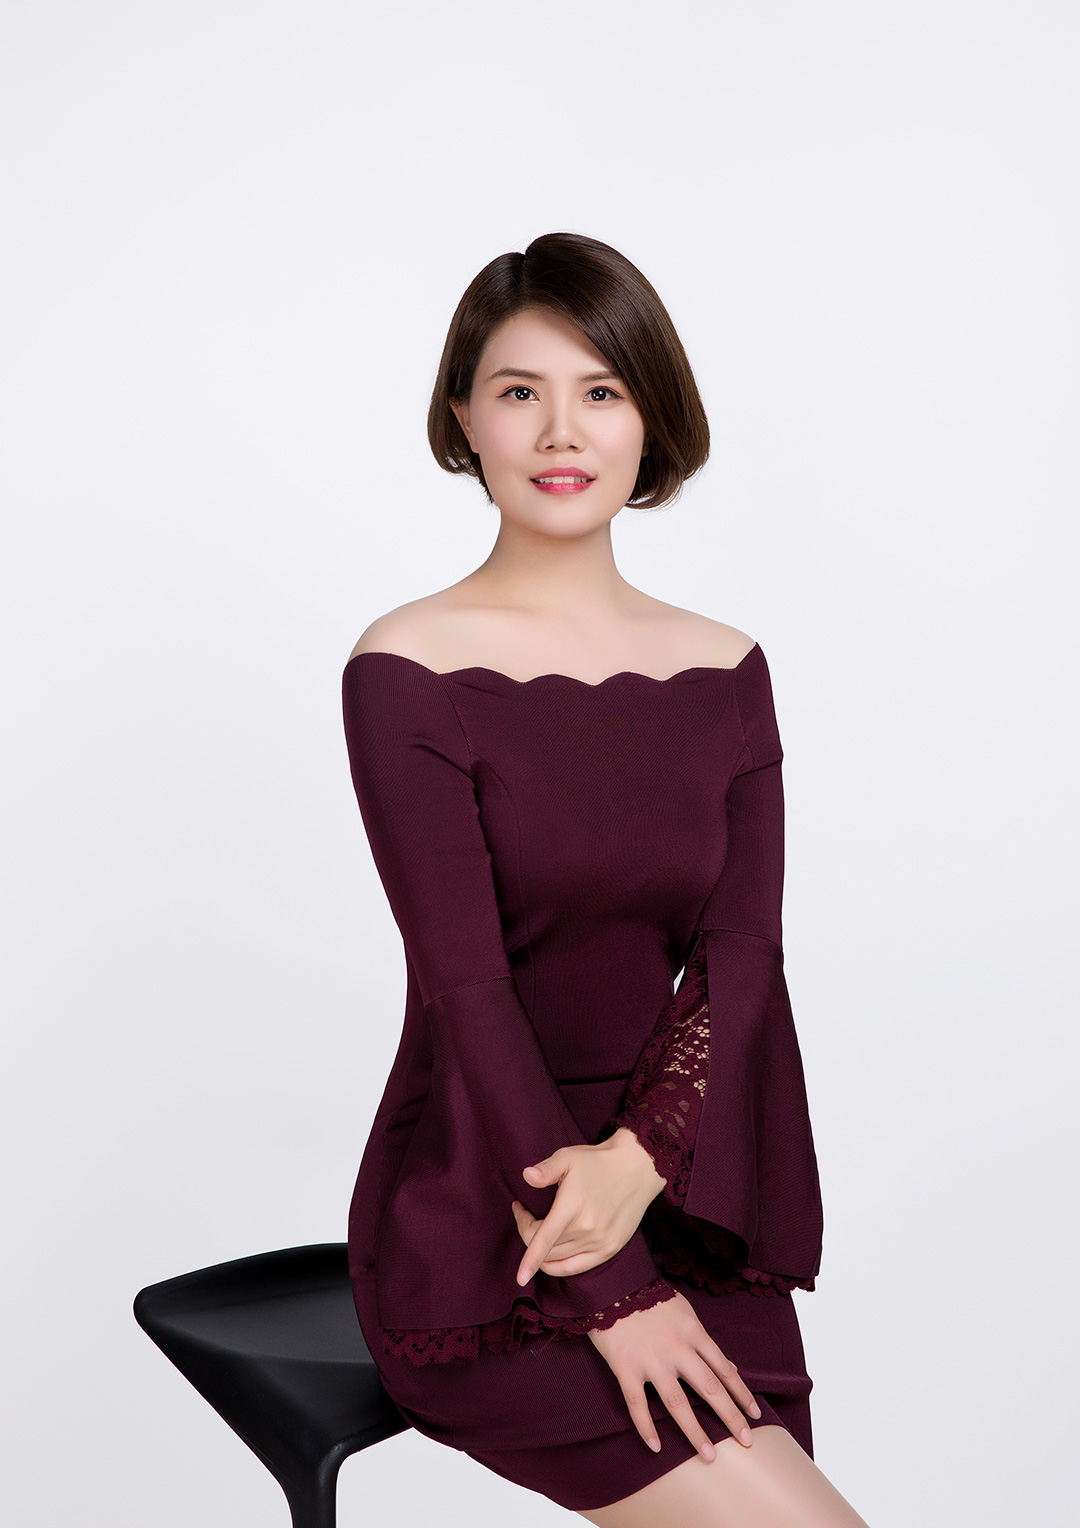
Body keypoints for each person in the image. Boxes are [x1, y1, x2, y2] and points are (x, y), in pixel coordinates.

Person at [342, 232, 869, 1525]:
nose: (560, 431)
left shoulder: (727, 669)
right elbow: (467, 992)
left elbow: (741, 959)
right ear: (463, 418)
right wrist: (613, 1288)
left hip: (685, 1188)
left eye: (602, 390)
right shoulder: (407, 669)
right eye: (519, 391)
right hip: (493, 1213)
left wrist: (643, 1160)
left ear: (650, 420)